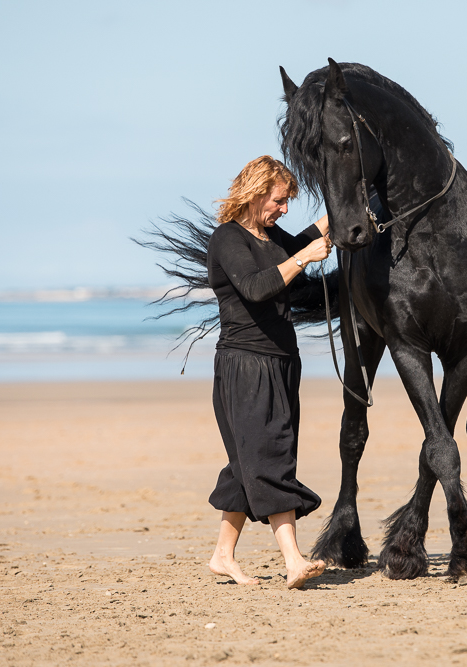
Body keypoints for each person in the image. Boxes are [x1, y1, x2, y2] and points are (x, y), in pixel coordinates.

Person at [205, 155, 332, 589]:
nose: (283, 209)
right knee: (272, 455)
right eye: (279, 200)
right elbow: (257, 287)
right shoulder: (228, 238)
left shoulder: (271, 236)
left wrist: (333, 218)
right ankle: (294, 559)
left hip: (282, 361)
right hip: (245, 365)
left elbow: (294, 245)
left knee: (249, 461)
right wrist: (305, 258)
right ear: (257, 192)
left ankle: (223, 555)